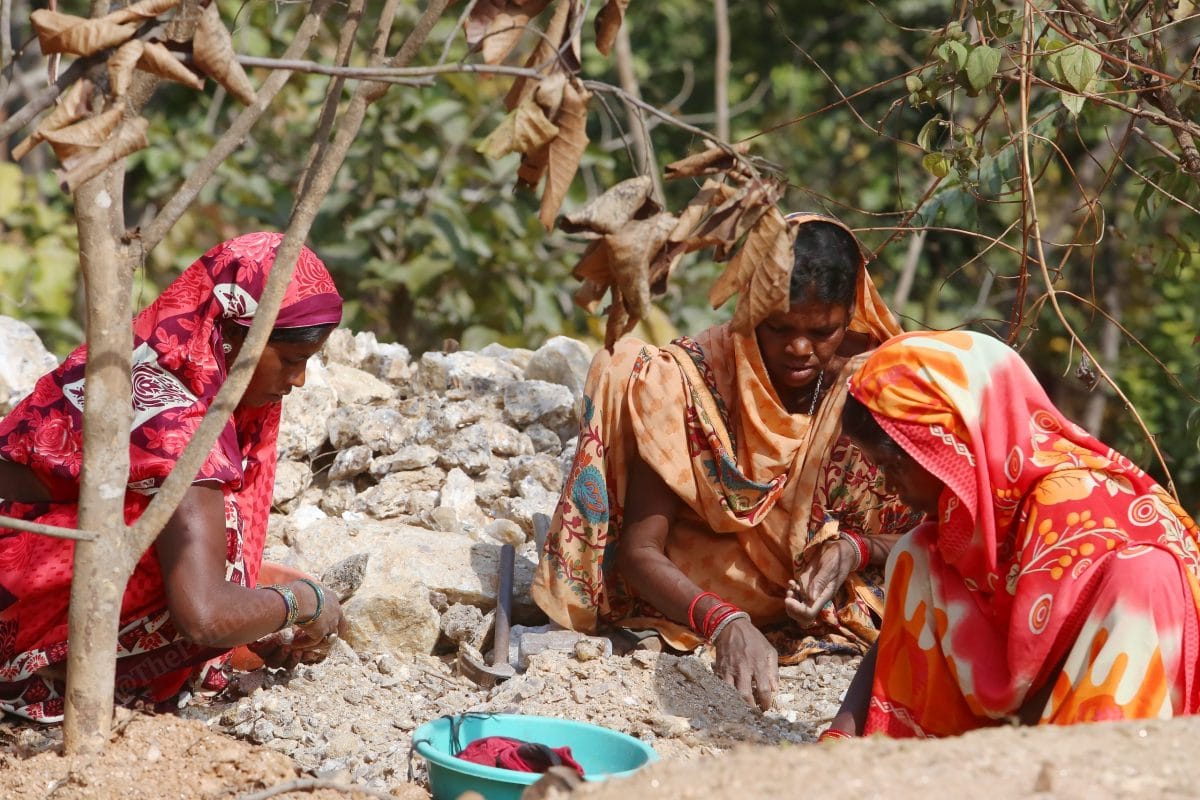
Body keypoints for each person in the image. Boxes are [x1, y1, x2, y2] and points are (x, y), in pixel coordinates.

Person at [532, 213, 922, 711]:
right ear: (748, 311)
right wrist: (724, 622)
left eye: (821, 331)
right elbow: (639, 550)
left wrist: (854, 549)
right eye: (778, 327)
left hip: (814, 608)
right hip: (686, 600)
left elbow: (939, 535)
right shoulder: (687, 385)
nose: (799, 349)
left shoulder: (873, 389)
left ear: (850, 315)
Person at [0, 232, 348, 722]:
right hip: (17, 587)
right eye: (293, 360)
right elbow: (203, 615)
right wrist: (305, 601)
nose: (299, 380)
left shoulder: (136, 354)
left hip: (24, 556)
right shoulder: (182, 427)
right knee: (209, 538)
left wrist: (256, 603)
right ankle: (43, 682)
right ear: (232, 336)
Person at [824, 329, 1200, 739]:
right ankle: (933, 748)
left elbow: (1050, 657)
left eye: (894, 466)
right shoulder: (979, 514)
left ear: (950, 445)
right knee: (916, 553)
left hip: (1113, 706)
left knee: (1145, 574)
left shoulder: (1069, 502)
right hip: (1028, 711)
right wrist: (840, 734)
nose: (889, 487)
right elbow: (896, 634)